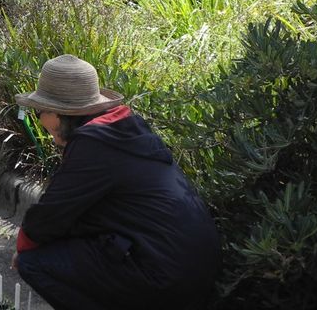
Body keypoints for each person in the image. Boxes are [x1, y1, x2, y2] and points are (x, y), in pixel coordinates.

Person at [11, 55, 221, 310]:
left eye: (39, 111)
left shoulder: (93, 144)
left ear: (57, 113)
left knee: (33, 263)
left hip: (164, 278)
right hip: (196, 268)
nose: (40, 120)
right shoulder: (124, 129)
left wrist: (23, 247)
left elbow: (49, 216)